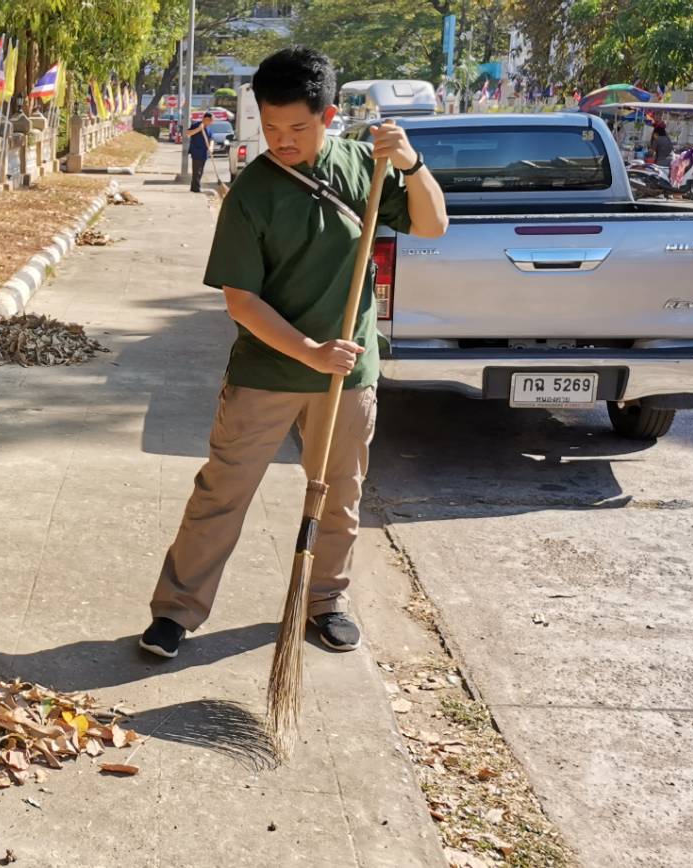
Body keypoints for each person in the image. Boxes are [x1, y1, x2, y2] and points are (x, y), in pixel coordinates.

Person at [139, 47, 447, 658]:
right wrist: (309, 351)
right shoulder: (252, 192)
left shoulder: (369, 167)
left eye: (297, 129)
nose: (281, 141)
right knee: (221, 493)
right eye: (271, 128)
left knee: (339, 492)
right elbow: (241, 301)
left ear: (328, 115)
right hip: (267, 372)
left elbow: (433, 225)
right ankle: (176, 610)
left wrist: (412, 165)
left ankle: (328, 600)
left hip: (349, 376)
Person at [186, 113, 212, 193]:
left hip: (204, 153)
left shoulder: (209, 129)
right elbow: (188, 133)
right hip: (196, 152)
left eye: (211, 121)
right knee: (197, 171)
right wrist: (198, 129)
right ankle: (196, 188)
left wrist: (211, 148)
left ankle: (194, 187)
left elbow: (211, 139)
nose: (210, 122)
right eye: (209, 120)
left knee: (200, 171)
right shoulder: (196, 125)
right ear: (204, 119)